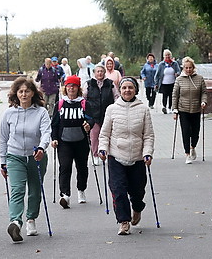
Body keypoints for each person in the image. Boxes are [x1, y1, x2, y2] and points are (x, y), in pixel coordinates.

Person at [98, 77, 155, 235]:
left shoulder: (143, 109)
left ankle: (137, 208)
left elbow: (148, 135)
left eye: (130, 87)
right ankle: (123, 221)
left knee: (137, 191)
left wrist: (148, 153)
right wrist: (102, 149)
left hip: (137, 157)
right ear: (120, 90)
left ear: (135, 90)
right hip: (116, 156)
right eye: (124, 88)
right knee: (118, 190)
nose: (127, 90)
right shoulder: (112, 109)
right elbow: (104, 135)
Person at [0, 77, 51, 242]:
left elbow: (46, 132)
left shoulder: (41, 112)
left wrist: (42, 148)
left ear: (32, 93)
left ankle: (31, 219)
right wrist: (3, 161)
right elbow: (3, 138)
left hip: (36, 156)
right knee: (17, 189)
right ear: (16, 93)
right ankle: (15, 221)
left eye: (27, 91)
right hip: (14, 156)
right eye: (20, 91)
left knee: (35, 190)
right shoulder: (9, 113)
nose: (23, 94)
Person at [51, 75, 91, 209]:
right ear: (65, 88)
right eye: (69, 86)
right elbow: (54, 124)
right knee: (65, 167)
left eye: (74, 86)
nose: (71, 88)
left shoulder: (84, 103)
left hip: (81, 141)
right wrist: (54, 138)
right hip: (64, 141)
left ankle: (81, 190)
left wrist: (88, 125)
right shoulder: (60, 104)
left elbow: (91, 119)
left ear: (78, 88)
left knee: (82, 167)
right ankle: (65, 195)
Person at [172, 56, 207, 164]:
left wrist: (203, 101)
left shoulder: (199, 78)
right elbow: (175, 95)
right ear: (183, 68)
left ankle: (193, 147)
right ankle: (187, 154)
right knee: (186, 132)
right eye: (186, 68)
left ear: (193, 67)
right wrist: (175, 109)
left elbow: (204, 92)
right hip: (183, 109)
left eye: (190, 68)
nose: (188, 70)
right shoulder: (179, 80)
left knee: (195, 132)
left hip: (196, 109)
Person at [83, 64, 119, 166]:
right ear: (94, 73)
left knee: (108, 135)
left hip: (107, 114)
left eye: (101, 71)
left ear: (104, 73)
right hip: (93, 115)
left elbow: (116, 96)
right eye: (98, 71)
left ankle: (105, 154)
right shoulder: (89, 84)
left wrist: (115, 108)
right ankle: (95, 155)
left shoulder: (110, 84)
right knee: (94, 136)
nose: (100, 73)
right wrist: (86, 110)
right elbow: (84, 98)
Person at [154, 49, 181, 114]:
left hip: (172, 83)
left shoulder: (174, 63)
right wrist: (156, 83)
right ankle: (164, 107)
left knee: (171, 95)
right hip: (164, 83)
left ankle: (170, 107)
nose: (167, 57)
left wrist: (177, 73)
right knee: (165, 95)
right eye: (166, 55)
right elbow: (157, 75)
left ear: (171, 56)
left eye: (168, 55)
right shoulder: (161, 64)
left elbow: (179, 71)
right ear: (164, 56)